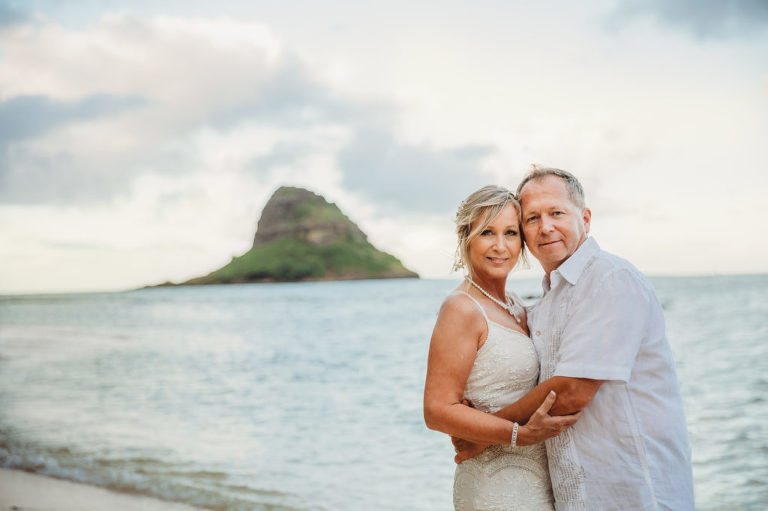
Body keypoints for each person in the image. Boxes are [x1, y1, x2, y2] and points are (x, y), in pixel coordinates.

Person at [453, 167, 695, 510]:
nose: (545, 227)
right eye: (532, 218)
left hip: (633, 491)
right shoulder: (545, 303)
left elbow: (570, 390)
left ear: (586, 218)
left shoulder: (609, 279)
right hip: (576, 496)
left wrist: (483, 434)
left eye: (556, 213)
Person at [423, 185, 580, 510]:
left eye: (510, 233)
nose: (500, 246)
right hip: (493, 485)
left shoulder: (516, 305)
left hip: (538, 478)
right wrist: (518, 435)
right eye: (486, 233)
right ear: (466, 238)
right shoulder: (461, 308)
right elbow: (436, 411)